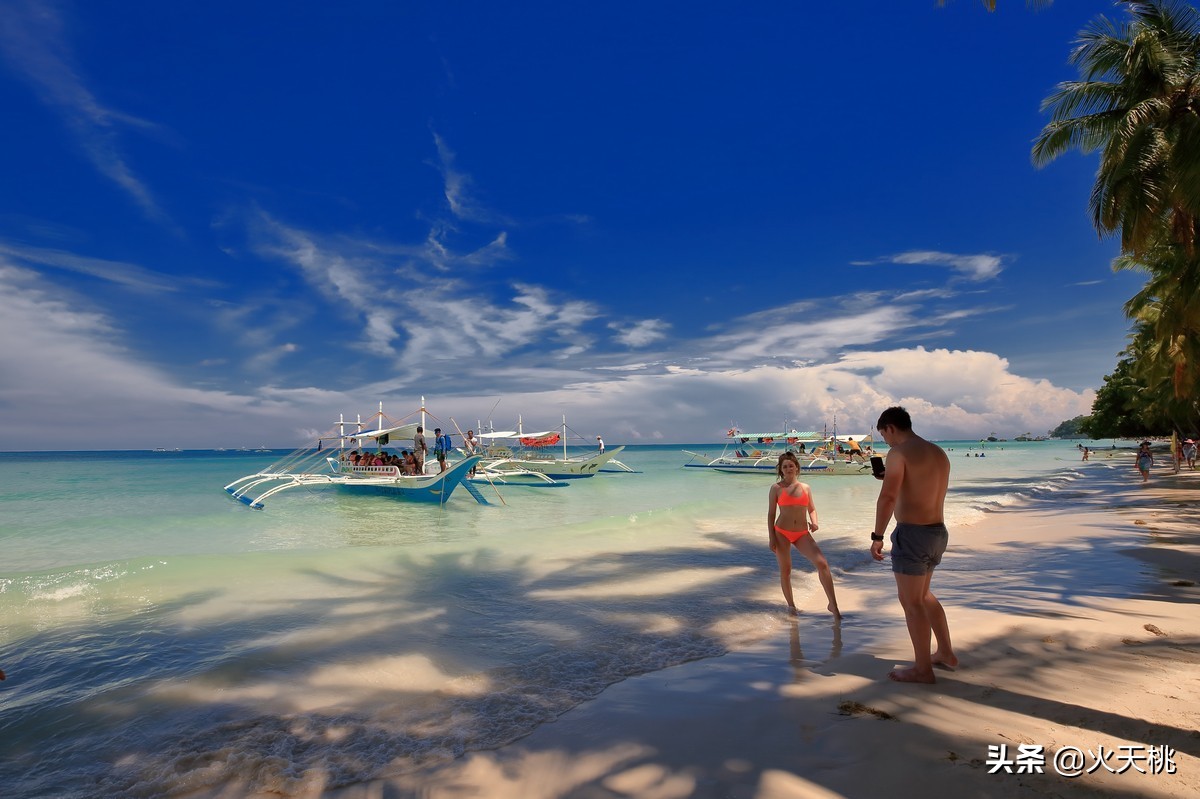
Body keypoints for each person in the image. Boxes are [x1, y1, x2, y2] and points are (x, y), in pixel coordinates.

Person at [870, 406, 956, 684]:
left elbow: (887, 498)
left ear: (890, 428)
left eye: (884, 435)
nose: (886, 442)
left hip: (913, 534)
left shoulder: (899, 453)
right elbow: (923, 485)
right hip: (937, 532)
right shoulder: (937, 452)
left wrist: (877, 536)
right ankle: (944, 652)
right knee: (924, 596)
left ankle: (922, 669)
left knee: (911, 602)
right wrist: (893, 475)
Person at [768, 452, 840, 618]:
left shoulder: (806, 488)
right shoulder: (776, 488)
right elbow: (771, 514)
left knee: (822, 564)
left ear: (797, 467)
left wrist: (814, 522)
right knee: (786, 571)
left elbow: (812, 509)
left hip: (802, 533)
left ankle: (833, 605)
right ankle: (791, 607)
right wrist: (771, 537)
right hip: (781, 533)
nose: (788, 469)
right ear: (781, 470)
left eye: (791, 466)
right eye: (784, 467)